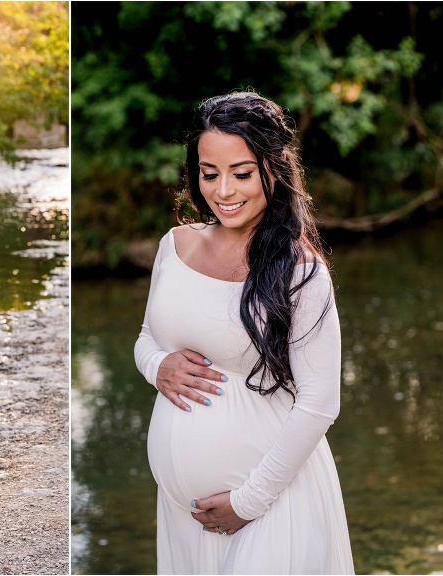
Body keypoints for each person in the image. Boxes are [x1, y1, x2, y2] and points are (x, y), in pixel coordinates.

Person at [134, 91, 354, 574]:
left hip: (271, 503)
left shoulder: (300, 272)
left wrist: (248, 501)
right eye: (209, 173)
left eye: (242, 173)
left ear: (273, 170)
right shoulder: (176, 246)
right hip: (184, 514)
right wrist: (156, 366)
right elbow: (147, 338)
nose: (224, 191)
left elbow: (319, 403)